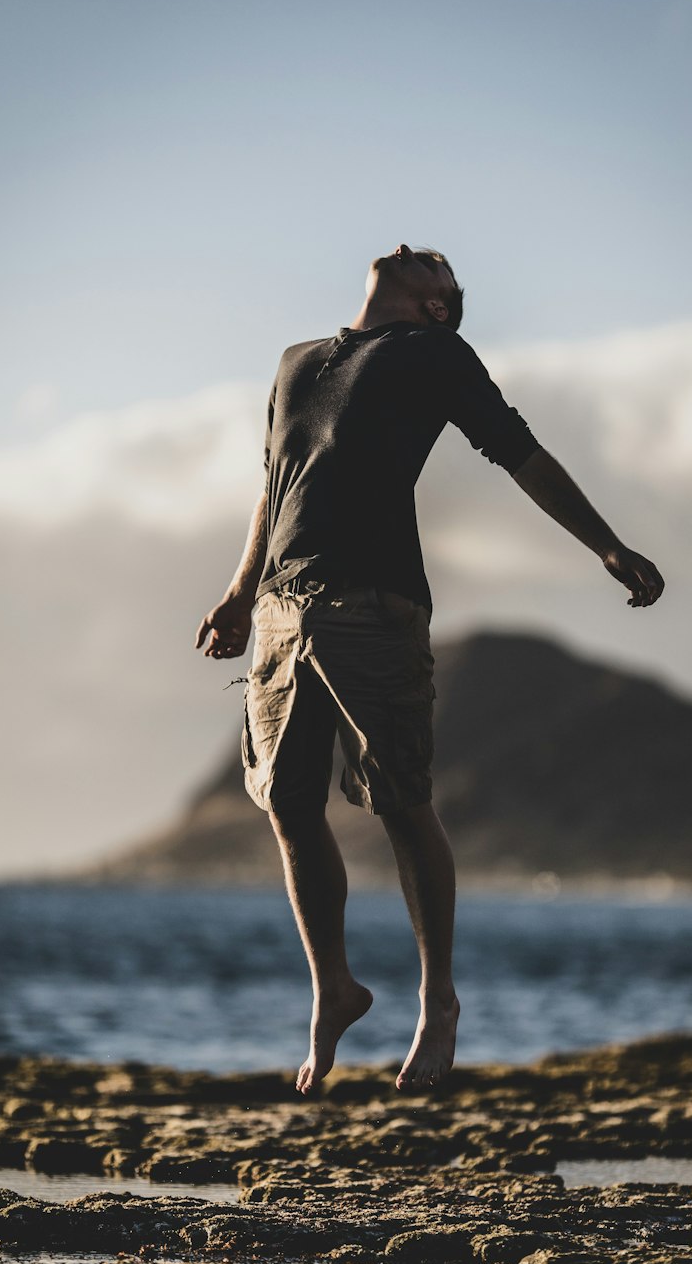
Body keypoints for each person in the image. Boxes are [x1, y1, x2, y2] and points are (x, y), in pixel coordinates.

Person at [196, 244, 664, 1096]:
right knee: (288, 804)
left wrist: (607, 544)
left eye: (440, 268)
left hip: (374, 606)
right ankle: (333, 987)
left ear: (437, 306)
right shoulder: (297, 360)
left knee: (404, 804)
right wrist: (237, 592)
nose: (422, 253)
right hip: (278, 614)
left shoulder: (432, 355)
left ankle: (437, 1003)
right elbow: (275, 480)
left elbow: (520, 452)